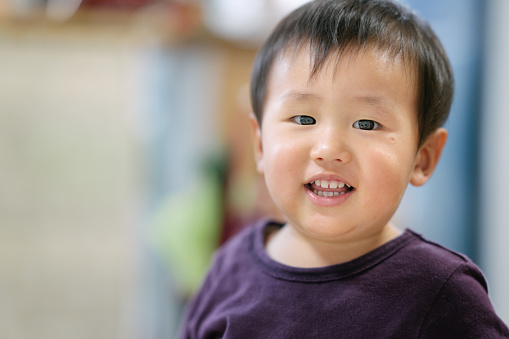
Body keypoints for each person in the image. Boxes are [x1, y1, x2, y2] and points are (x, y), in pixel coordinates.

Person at [178, 0, 509, 337]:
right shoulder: (229, 269)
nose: (329, 150)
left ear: (423, 157)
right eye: (304, 118)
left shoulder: (444, 294)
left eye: (367, 123)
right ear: (261, 144)